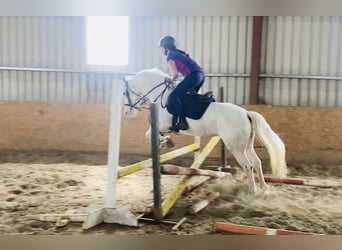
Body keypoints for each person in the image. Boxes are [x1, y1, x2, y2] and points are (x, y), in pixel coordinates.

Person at [159, 35, 206, 132]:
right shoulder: (179, 54)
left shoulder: (170, 56)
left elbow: (175, 74)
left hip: (193, 76)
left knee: (174, 96)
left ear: (166, 48)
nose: (161, 50)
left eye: (161, 48)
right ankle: (190, 118)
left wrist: (170, 80)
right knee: (185, 97)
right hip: (200, 76)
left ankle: (182, 121)